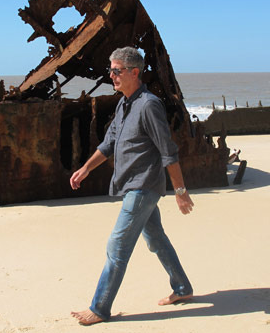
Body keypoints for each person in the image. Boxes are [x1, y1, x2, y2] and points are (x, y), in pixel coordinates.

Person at [70, 46, 195, 325]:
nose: (111, 75)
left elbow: (168, 151)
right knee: (156, 239)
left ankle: (99, 308)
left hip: (143, 187)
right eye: (111, 70)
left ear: (134, 72)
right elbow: (109, 143)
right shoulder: (124, 104)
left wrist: (180, 192)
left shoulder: (149, 105)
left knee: (117, 246)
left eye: (116, 71)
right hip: (131, 186)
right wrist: (85, 169)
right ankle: (182, 288)